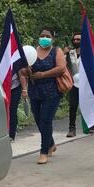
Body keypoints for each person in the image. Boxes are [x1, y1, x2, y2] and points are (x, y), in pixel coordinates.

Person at [24, 28, 66, 165]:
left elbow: (61, 68)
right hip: (35, 90)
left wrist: (43, 74)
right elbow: (24, 71)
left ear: (52, 38)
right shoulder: (32, 51)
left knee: (46, 120)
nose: (44, 38)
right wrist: (26, 70)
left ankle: (43, 152)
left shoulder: (56, 51)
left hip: (52, 91)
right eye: (42, 35)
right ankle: (51, 143)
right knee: (38, 119)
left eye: (47, 36)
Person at [66, 33, 82, 137]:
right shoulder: (70, 53)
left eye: (78, 39)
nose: (76, 41)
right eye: (74, 39)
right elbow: (63, 65)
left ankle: (91, 124)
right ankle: (72, 128)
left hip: (85, 83)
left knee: (87, 104)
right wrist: (64, 53)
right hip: (73, 83)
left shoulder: (88, 53)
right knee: (73, 105)